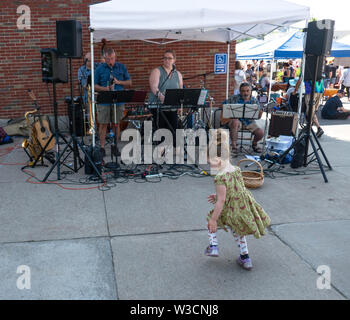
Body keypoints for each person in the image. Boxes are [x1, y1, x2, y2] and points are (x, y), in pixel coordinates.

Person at [205, 129, 271, 270]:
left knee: (211, 218)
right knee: (238, 231)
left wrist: (214, 219)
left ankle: (214, 246)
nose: (209, 166)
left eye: (209, 162)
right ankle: (245, 258)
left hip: (231, 207)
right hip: (242, 205)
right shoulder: (236, 169)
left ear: (217, 160)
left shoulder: (220, 177)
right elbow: (235, 190)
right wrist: (217, 196)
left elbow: (221, 201)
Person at [94, 47, 132, 157]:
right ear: (104, 58)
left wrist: (118, 82)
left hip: (118, 100)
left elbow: (129, 82)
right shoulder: (99, 69)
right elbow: (94, 86)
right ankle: (102, 148)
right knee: (103, 124)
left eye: (112, 58)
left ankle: (115, 146)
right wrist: (105, 89)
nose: (110, 61)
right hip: (104, 100)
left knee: (116, 124)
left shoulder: (121, 67)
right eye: (108, 59)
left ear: (115, 57)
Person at [149, 49, 183, 150]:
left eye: (169, 58)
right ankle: (161, 152)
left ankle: (172, 151)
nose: (167, 60)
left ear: (174, 60)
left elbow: (180, 90)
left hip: (172, 106)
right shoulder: (157, 71)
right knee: (162, 130)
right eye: (165, 58)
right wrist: (161, 96)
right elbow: (154, 88)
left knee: (173, 129)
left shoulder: (178, 74)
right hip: (159, 106)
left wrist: (180, 105)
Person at [221, 83, 264, 155]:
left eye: (247, 91)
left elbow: (258, 117)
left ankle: (254, 144)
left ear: (251, 91)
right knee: (235, 122)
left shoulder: (254, 101)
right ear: (240, 91)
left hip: (249, 122)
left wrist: (260, 112)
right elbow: (223, 106)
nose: (245, 93)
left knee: (260, 132)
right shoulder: (233, 98)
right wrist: (225, 118)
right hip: (236, 121)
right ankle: (234, 146)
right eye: (243, 91)